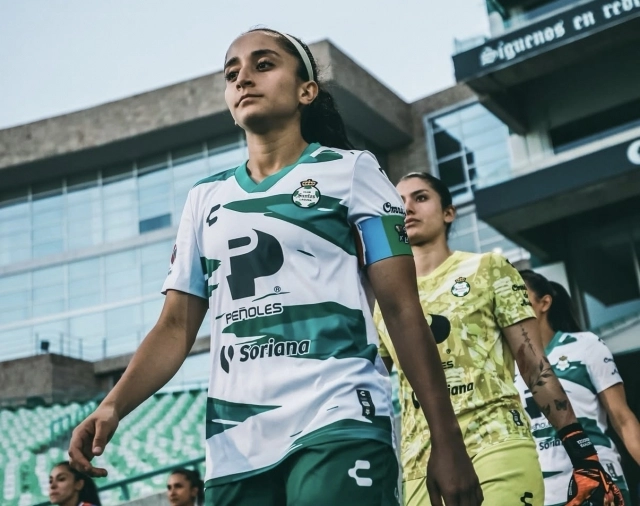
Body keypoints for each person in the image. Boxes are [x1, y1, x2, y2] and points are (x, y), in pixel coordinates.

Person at [68, 28, 483, 506]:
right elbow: (175, 327)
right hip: (236, 445)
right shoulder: (204, 199)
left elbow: (402, 309)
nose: (243, 78)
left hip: (339, 416)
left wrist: (446, 439)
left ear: (307, 91)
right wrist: (112, 405)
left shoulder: (353, 172)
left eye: (263, 65)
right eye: (232, 74)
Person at [374, 172, 625, 506]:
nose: (407, 208)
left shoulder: (489, 268)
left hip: (497, 444)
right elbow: (372, 387)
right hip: (420, 465)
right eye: (398, 202)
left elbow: (535, 367)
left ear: (448, 212)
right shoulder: (384, 299)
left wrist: (584, 457)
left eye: (420, 198)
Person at [517, 270, 640, 506]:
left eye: (520, 296)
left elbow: (623, 419)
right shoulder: (506, 364)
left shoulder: (585, 345)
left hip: (598, 482)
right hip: (542, 493)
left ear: (544, 303)